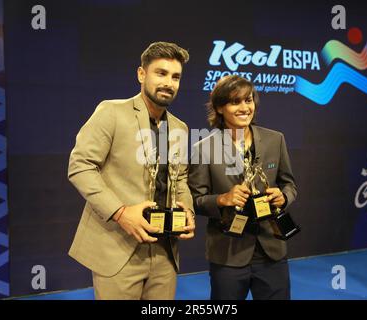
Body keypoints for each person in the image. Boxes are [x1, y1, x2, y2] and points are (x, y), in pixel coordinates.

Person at [68, 42, 195, 300]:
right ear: (141, 74)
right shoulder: (111, 112)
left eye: (175, 77)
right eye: (161, 73)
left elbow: (180, 179)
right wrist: (121, 212)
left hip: (164, 252)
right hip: (118, 248)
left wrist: (188, 210)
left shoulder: (180, 128)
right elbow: (80, 166)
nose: (169, 83)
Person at [188, 75, 297, 300]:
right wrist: (222, 199)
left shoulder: (275, 139)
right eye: (235, 102)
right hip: (228, 253)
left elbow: (289, 184)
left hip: (272, 251)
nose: (244, 108)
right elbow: (195, 199)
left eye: (248, 100)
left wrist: (283, 197)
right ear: (219, 108)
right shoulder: (203, 148)